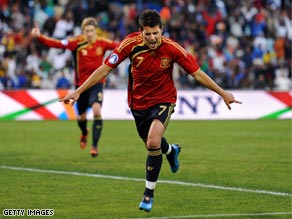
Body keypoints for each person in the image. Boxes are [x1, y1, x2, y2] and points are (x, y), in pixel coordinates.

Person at [60, 10, 242, 212]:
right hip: (138, 104)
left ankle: (148, 193)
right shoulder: (130, 44)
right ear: (141, 32)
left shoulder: (173, 49)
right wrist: (78, 91)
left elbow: (197, 74)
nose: (153, 38)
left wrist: (222, 92)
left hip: (164, 100)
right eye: (148, 34)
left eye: (156, 33)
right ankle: (171, 151)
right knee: (153, 143)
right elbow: (105, 69)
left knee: (153, 141)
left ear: (161, 30)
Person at [31, 17, 119, 157]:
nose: (89, 33)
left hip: (97, 84)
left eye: (91, 30)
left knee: (97, 111)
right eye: (86, 31)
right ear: (83, 31)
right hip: (81, 87)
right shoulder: (76, 43)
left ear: (95, 31)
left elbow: (120, 46)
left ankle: (94, 146)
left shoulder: (103, 43)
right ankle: (84, 132)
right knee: (81, 117)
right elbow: (58, 44)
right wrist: (40, 37)